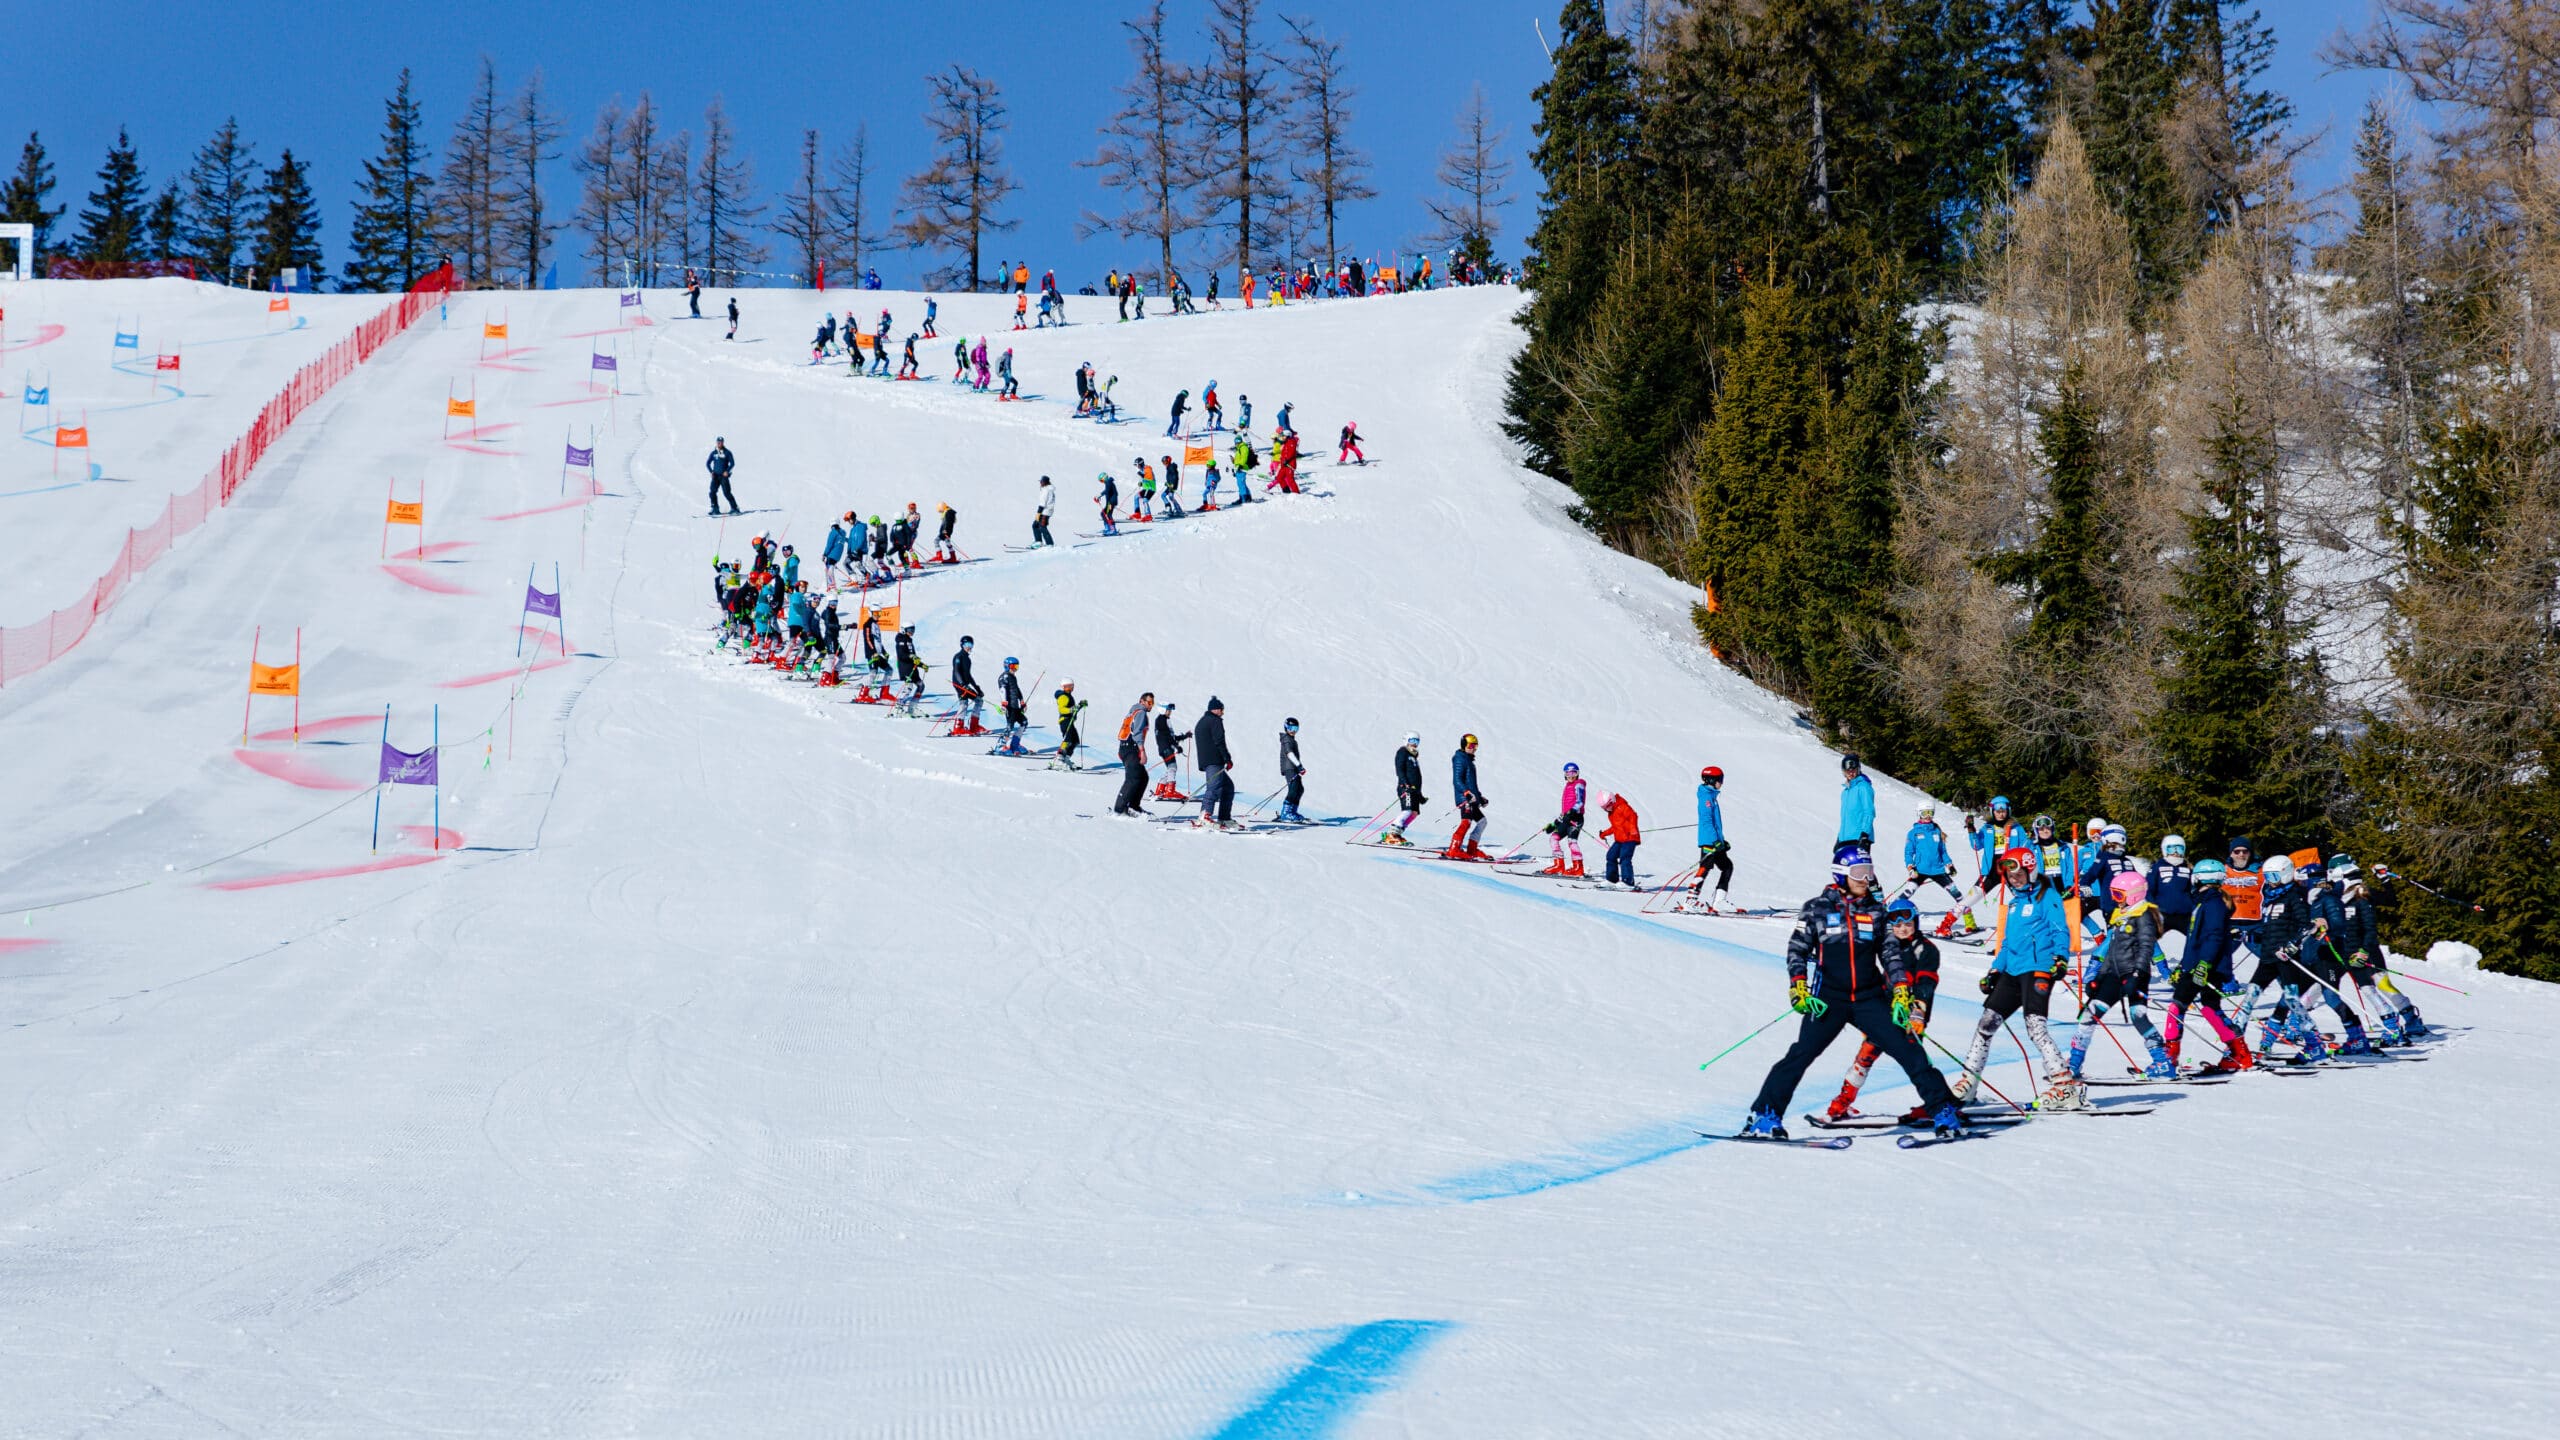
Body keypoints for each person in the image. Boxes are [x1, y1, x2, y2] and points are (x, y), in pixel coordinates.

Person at [1740, 849, 1963, 1141]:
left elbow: (1890, 954)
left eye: (1869, 871)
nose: (1866, 878)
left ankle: (1943, 1110)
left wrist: (1900, 991)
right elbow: (1797, 948)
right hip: (1828, 999)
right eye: (1859, 873)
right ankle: (1764, 1116)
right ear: (1841, 874)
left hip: (1870, 998)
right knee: (1801, 1054)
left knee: (1908, 1048)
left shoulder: (1876, 910)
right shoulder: (1816, 908)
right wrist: (1798, 985)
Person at [1951, 847, 2077, 1109]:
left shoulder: (2048, 896)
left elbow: (2060, 931)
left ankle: (2065, 1086)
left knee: (2035, 1026)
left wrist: (2061, 957)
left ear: (2030, 870)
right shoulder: (2015, 903)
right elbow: (2007, 942)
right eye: (2009, 875)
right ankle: (1969, 1082)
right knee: (1986, 1023)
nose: (2013, 879)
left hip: (2040, 967)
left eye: (2018, 873)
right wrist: (1995, 970)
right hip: (2013, 970)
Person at [1820, 897, 1944, 1124]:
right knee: (1865, 1055)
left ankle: (1941, 1104)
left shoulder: (1926, 950)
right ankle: (1843, 1102)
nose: (1902, 929)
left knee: (1916, 1063)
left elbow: (1926, 983)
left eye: (1907, 923)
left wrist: (1918, 1012)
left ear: (1916, 922)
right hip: (1884, 1014)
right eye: (1896, 924)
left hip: (1911, 1016)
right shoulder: (1888, 947)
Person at [2063, 871, 2175, 1082]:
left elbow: (2146, 946)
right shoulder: (2121, 917)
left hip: (2134, 975)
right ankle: (2074, 1064)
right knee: (2089, 1014)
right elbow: (2112, 951)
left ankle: (2163, 1063)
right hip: (2114, 975)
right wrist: (2098, 977)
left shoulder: (2144, 915)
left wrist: (2138, 974)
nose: (2115, 900)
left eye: (2118, 895)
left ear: (2133, 895)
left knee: (2138, 1015)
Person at [2164, 858, 2253, 1073]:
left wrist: (2202, 965)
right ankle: (2239, 1054)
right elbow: (2195, 940)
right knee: (2210, 1009)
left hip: (2205, 967)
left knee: (2176, 1008)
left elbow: (2213, 937)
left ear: (2201, 877)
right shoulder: (2204, 902)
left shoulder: (2213, 903)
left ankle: (2167, 1059)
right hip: (2199, 965)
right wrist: (2184, 966)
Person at [2327, 856, 2427, 1041]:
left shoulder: (2363, 896)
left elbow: (2390, 901)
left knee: (2382, 986)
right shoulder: (2336, 899)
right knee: (2356, 987)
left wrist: (2384, 879)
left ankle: (2410, 1019)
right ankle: (2395, 1023)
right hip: (2346, 950)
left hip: (2367, 951)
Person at [1953, 795, 2024, 935]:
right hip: (1991, 871)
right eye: (1998, 811)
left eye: (2003, 811)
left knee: (2024, 899)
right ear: (1993, 812)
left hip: (2011, 871)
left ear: (2008, 811)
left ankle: (2030, 930)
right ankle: (1946, 924)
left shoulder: (2016, 828)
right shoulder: (1988, 828)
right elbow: (1976, 845)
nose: (2001, 813)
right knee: (1969, 899)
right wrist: (1971, 829)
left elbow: (2025, 846)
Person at [1900, 803, 1965, 914]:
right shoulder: (1913, 833)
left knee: (1957, 895)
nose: (1928, 816)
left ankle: (1970, 922)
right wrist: (1910, 867)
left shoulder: (1937, 831)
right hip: (1919, 870)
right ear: (1919, 814)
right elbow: (1908, 853)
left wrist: (1950, 865)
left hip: (1938, 870)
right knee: (1908, 892)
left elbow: (1942, 851)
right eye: (1925, 813)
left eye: (1931, 813)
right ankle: (1892, 914)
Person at [1687, 766, 1734, 911]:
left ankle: (1719, 902)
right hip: (1709, 841)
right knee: (1705, 867)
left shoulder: (1711, 796)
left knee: (1727, 867)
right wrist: (1715, 840)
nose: (1722, 783)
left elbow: (1714, 823)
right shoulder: (1706, 798)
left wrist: (1721, 840)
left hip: (1714, 840)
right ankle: (1690, 901)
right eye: (1720, 780)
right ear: (1712, 780)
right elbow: (1707, 821)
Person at [1446, 733, 1489, 859]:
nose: (1474, 748)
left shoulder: (1468, 760)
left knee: (1482, 822)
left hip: (1472, 798)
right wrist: (1466, 793)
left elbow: (1472, 784)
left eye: (1476, 746)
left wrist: (1480, 797)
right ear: (1464, 745)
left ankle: (1471, 849)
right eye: (1471, 745)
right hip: (1465, 798)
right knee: (1466, 822)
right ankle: (1453, 849)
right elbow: (1457, 780)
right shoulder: (1459, 759)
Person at [1542, 762, 1588, 877]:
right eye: (1568, 773)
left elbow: (1580, 801)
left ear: (1577, 774)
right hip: (1566, 819)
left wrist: (1572, 812)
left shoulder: (1579, 784)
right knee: (1554, 838)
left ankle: (1578, 868)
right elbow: (1565, 810)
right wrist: (1555, 823)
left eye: (1573, 773)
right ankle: (1559, 865)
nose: (1570, 775)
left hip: (1576, 818)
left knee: (1572, 842)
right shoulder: (1567, 786)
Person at [1113, 693, 1157, 815]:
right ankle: (1120, 809)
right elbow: (1137, 733)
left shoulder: (1133, 712)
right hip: (1131, 748)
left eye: (1152, 703)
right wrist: (1142, 752)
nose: (1151, 706)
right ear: (1141, 701)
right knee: (1133, 778)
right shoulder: (1141, 713)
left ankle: (1133, 806)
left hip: (1126, 748)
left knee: (1143, 777)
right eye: (1149, 703)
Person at [1195, 697, 1236, 826]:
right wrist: (1227, 759)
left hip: (1208, 760)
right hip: (1214, 760)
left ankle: (1224, 817)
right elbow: (1219, 741)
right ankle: (1204, 815)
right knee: (1213, 788)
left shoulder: (1202, 721)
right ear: (1216, 709)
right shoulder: (1215, 721)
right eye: (1222, 710)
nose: (1223, 712)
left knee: (1228, 787)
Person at [1381, 733, 1425, 846]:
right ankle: (1391, 835)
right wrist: (1405, 784)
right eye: (1412, 740)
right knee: (1407, 810)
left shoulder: (1414, 756)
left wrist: (1420, 795)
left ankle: (1398, 833)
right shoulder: (1403, 752)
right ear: (1406, 740)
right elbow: (1399, 769)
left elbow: (1416, 776)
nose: (1414, 744)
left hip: (1414, 790)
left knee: (1414, 813)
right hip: (1405, 788)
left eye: (1417, 741)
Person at [1834, 752, 1874, 863]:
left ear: (1858, 769)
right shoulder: (1845, 792)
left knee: (1858, 871)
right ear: (1844, 772)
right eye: (1848, 771)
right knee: (1844, 873)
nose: (1851, 773)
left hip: (1859, 837)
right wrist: (1839, 838)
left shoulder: (1863, 787)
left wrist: (1865, 834)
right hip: (1845, 838)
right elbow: (1846, 818)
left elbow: (1869, 812)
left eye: (1853, 770)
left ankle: (1871, 881)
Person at [1601, 791, 1641, 889]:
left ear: (1612, 801)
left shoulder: (1623, 807)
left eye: (1608, 805)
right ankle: (1612, 879)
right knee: (1611, 855)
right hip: (1620, 839)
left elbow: (1633, 816)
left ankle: (1628, 882)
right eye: (1604, 808)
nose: (1607, 809)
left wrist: (1633, 829)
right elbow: (1615, 827)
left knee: (1625, 858)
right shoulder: (1611, 813)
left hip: (1630, 838)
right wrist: (1604, 833)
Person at [1151, 702, 1189, 802]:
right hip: (1166, 748)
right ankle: (1170, 791)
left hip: (1165, 748)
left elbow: (1171, 736)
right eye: (1168, 710)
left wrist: (1184, 736)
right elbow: (1167, 736)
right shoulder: (1161, 720)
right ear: (1163, 710)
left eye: (1170, 710)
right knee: (1173, 767)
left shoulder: (1163, 720)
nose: (1170, 712)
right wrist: (1177, 746)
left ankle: (1160, 790)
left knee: (1170, 768)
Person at [948, 635, 984, 735]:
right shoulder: (958, 657)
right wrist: (962, 684)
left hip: (965, 685)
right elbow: (956, 671)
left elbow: (968, 675)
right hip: (959, 685)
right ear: (962, 645)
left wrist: (977, 688)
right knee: (963, 703)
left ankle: (974, 726)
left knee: (979, 700)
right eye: (967, 644)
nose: (969, 646)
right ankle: (958, 727)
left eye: (971, 644)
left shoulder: (967, 659)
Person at [997, 657, 1030, 755]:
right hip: (1009, 706)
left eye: (1017, 666)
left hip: (1015, 706)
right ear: (1007, 666)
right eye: (1013, 666)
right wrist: (1004, 703)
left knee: (1024, 722)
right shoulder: (1004, 677)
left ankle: (1015, 745)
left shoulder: (1012, 677)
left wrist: (1022, 701)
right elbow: (1002, 690)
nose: (1015, 668)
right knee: (1010, 725)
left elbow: (1017, 689)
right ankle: (1000, 746)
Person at [1277, 717, 1307, 823]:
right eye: (1290, 728)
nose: (1293, 730)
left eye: (1295, 728)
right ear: (1286, 728)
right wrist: (1299, 766)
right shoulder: (1286, 739)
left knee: (1300, 789)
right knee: (1294, 789)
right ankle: (1286, 813)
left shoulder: (1291, 739)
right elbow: (1289, 753)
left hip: (1293, 768)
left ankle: (1292, 811)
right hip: (1289, 767)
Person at [893, 622, 926, 710]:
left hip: (912, 668)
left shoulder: (909, 640)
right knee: (909, 687)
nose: (912, 632)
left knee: (921, 686)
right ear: (904, 630)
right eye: (910, 630)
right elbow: (901, 655)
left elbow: (913, 656)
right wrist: (911, 656)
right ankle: (898, 706)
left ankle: (912, 707)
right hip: (905, 668)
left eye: (913, 630)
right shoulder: (901, 639)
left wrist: (922, 665)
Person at [1055, 682, 1087, 769]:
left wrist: (1080, 705)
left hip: (1070, 721)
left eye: (1072, 686)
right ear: (1064, 686)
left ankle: (1066, 758)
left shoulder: (1069, 696)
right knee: (1068, 739)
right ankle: (1059, 759)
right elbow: (1062, 709)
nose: (1071, 688)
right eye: (1069, 686)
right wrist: (1072, 709)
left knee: (1075, 740)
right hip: (1065, 721)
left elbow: (1073, 710)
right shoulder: (1063, 696)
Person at [705, 437, 740, 515]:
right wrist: (711, 472)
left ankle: (735, 508)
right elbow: (707, 463)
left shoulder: (727, 452)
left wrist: (727, 471)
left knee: (727, 493)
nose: (719, 443)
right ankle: (715, 508)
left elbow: (732, 463)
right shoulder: (713, 453)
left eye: (721, 442)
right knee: (712, 492)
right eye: (718, 442)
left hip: (723, 476)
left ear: (723, 443)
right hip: (715, 476)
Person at [823, 514, 850, 588]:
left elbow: (829, 545)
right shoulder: (842, 533)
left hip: (831, 555)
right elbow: (846, 540)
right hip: (838, 556)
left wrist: (824, 554)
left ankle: (831, 586)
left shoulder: (833, 532)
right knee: (830, 569)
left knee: (829, 569)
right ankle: (830, 585)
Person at [1033, 476, 1057, 548]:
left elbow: (1043, 503)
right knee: (1036, 525)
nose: (1040, 483)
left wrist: (1038, 513)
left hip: (1045, 511)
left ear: (1045, 482)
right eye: (1040, 481)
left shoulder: (1046, 490)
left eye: (1042, 481)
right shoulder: (1048, 489)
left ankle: (1049, 544)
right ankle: (1038, 542)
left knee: (1041, 526)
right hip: (1046, 511)